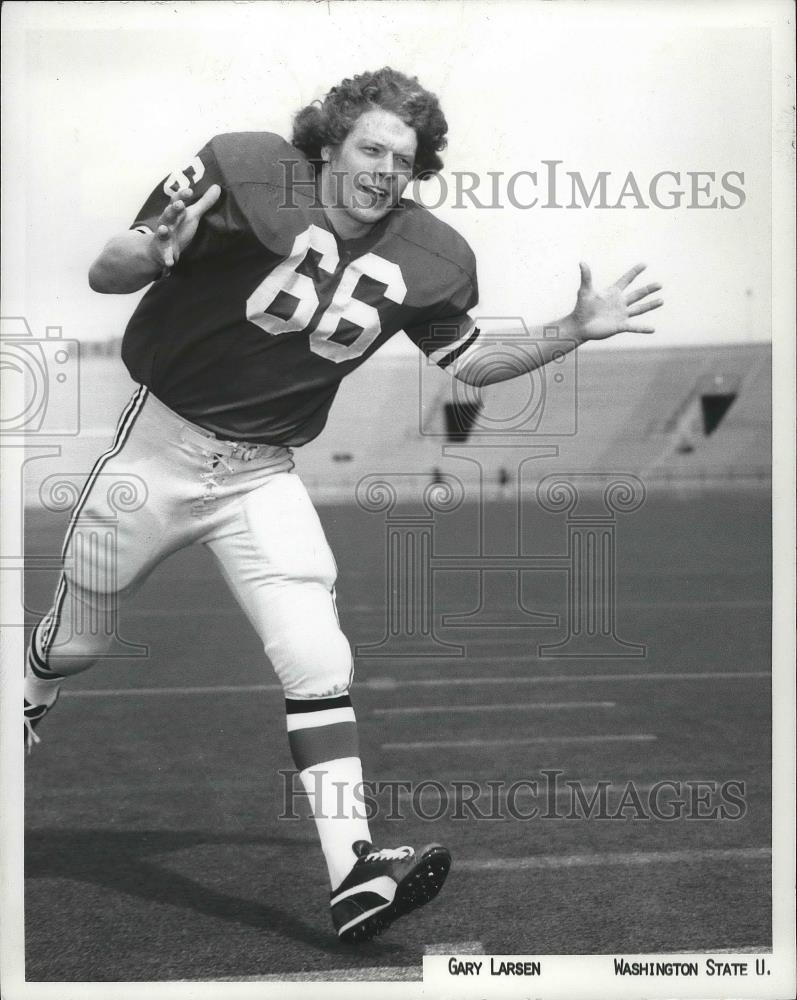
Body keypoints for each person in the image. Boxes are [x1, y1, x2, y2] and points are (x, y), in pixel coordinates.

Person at [24, 67, 662, 943]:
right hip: (157, 451)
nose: (384, 170)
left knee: (319, 656)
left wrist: (568, 331)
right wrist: (153, 252)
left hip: (261, 474)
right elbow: (110, 269)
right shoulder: (246, 169)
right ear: (327, 142)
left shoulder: (432, 254)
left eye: (402, 158)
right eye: (370, 147)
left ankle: (355, 871)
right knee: (76, 646)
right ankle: (25, 692)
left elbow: (468, 364)